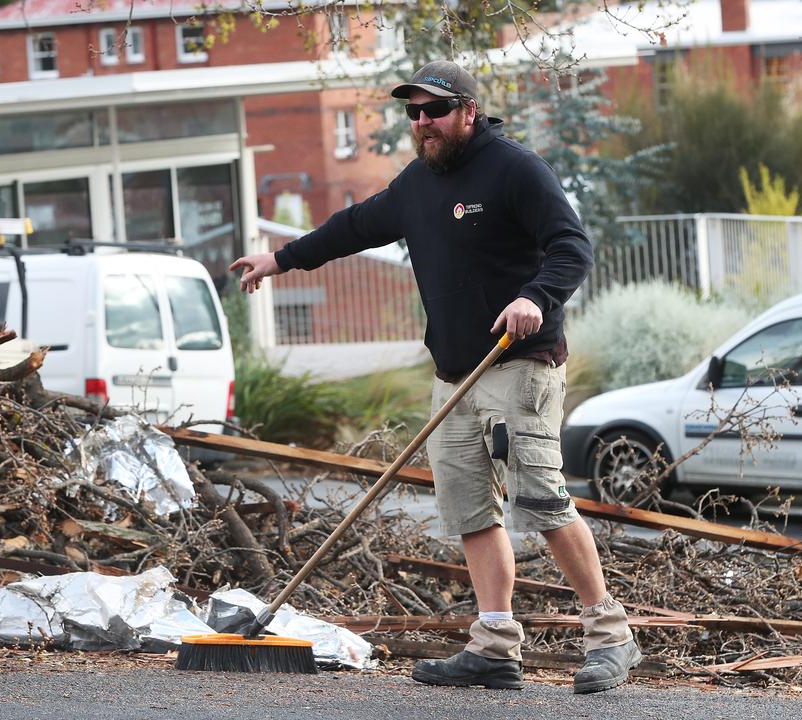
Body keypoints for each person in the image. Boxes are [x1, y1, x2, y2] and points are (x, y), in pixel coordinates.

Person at [230, 60, 640, 694]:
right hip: (454, 375)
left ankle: (610, 635)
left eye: (435, 111)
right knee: (471, 511)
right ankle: (496, 644)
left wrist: (536, 296)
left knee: (541, 499)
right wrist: (279, 259)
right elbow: (352, 227)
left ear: (469, 112)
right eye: (413, 113)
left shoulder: (515, 169)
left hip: (519, 363)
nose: (423, 123)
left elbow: (571, 245)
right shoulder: (417, 184)